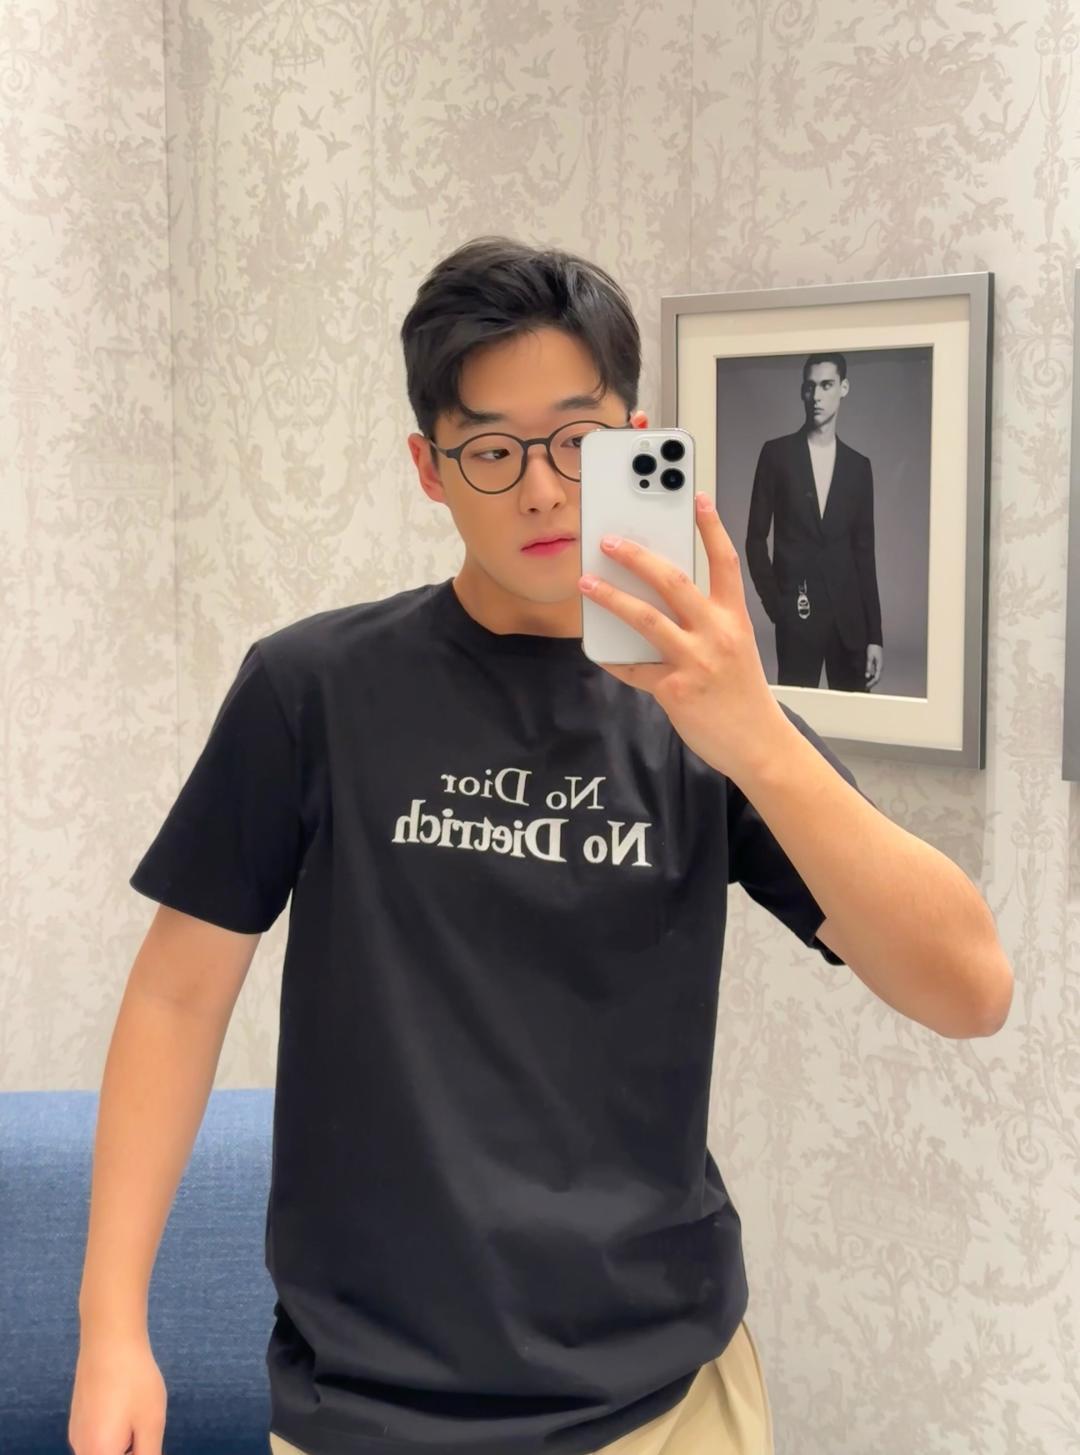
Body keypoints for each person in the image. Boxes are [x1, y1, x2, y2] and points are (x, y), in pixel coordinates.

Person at [70, 238, 1013, 1455]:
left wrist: (758, 741)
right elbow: (177, 995)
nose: (542, 491)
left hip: (663, 1398)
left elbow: (968, 989)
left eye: (577, 440)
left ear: (635, 441)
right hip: (367, 1400)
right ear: (429, 467)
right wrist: (110, 1325)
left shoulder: (702, 712)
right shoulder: (313, 691)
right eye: (492, 449)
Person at [744, 354, 884, 691]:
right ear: (802, 392)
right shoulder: (776, 455)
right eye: (810, 387)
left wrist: (875, 637)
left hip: (849, 623)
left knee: (854, 718)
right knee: (794, 718)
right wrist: (777, 606)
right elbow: (755, 539)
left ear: (844, 388)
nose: (817, 396)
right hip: (797, 615)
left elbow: (865, 555)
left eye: (826, 385)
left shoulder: (858, 467)